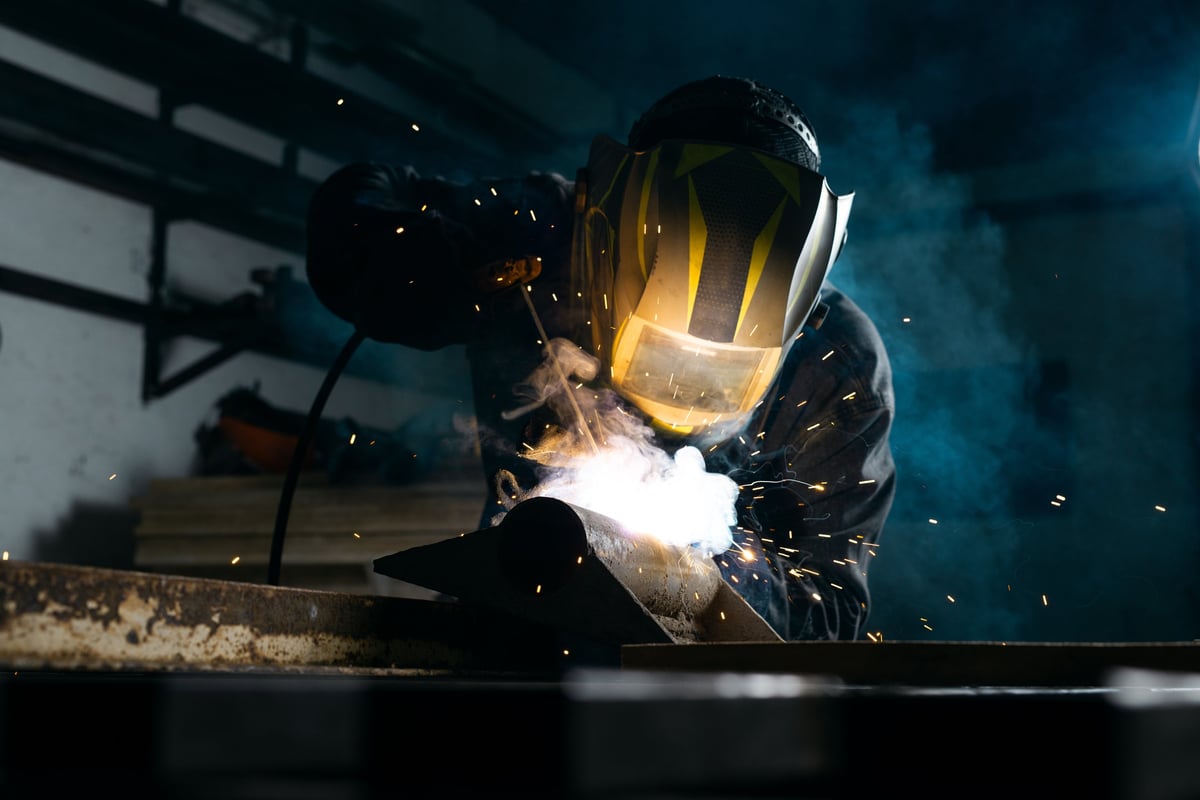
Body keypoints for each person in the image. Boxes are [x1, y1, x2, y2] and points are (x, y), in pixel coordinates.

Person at [304, 75, 896, 641]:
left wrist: (714, 567)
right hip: (525, 589)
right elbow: (355, 203)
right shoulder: (546, 234)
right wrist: (431, 266)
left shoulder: (836, 364)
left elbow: (832, 612)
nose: (683, 388)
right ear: (605, 234)